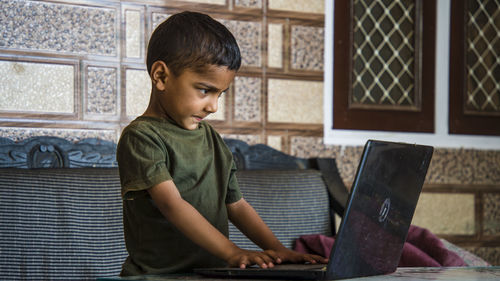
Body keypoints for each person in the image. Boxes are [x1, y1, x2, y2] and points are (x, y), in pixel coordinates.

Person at [116, 11, 328, 276]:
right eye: (205, 90)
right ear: (160, 76)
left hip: (210, 274)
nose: (214, 106)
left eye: (220, 94)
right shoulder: (142, 137)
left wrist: (278, 249)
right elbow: (172, 204)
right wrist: (232, 252)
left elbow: (236, 205)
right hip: (157, 276)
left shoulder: (211, 138)